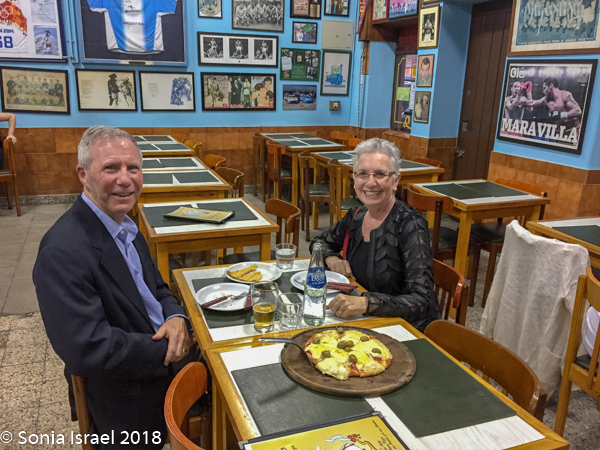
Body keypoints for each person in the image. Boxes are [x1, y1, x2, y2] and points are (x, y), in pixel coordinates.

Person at [33, 126, 191, 448]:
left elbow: (158, 287)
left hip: (156, 355)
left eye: (133, 168)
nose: (125, 179)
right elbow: (89, 347)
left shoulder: (126, 226)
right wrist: (171, 349)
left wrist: (176, 317)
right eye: (110, 168)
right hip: (124, 393)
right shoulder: (61, 252)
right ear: (83, 174)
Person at [309, 138, 439, 332]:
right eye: (362, 173)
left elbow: (423, 300)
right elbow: (318, 243)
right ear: (354, 178)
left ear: (395, 180)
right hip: (361, 321)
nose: (370, 182)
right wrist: (331, 259)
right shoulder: (356, 216)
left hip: (402, 328)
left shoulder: (410, 224)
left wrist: (366, 303)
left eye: (380, 174)